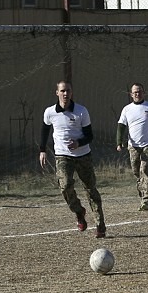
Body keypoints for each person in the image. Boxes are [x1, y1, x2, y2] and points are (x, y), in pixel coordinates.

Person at [39, 80, 106, 238]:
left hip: (83, 156)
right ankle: (79, 211)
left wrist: (79, 143)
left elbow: (90, 136)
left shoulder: (81, 111)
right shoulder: (50, 112)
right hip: (62, 156)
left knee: (91, 190)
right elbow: (44, 130)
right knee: (65, 185)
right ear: (57, 93)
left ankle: (100, 224)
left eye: (68, 90)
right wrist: (42, 150)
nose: (65, 94)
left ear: (72, 92)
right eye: (62, 91)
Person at [117, 83, 148, 211]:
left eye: (140, 91)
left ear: (144, 93)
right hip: (133, 145)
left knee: (145, 168)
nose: (138, 94)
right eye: (135, 92)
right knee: (137, 171)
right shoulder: (127, 109)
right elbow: (121, 126)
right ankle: (142, 192)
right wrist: (119, 142)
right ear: (131, 94)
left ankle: (146, 200)